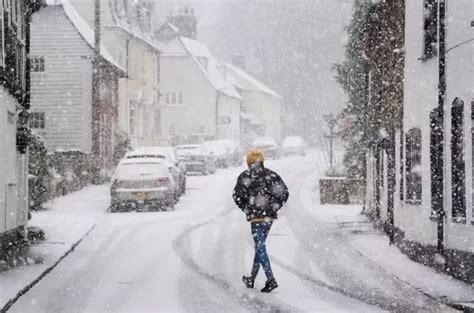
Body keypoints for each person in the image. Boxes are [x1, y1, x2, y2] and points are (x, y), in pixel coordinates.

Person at [233, 149, 289, 293]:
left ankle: (270, 279)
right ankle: (251, 278)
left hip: (256, 218)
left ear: (249, 162)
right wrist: (275, 206)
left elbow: (237, 196)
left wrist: (247, 208)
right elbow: (284, 192)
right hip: (268, 217)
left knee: (259, 246)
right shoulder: (271, 175)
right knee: (260, 246)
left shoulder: (245, 176)